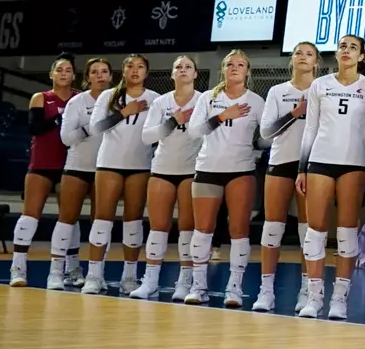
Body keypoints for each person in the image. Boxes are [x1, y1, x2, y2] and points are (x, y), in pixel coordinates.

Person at [296, 35, 365, 319]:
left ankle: (340, 298)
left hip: (353, 165)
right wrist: (302, 167)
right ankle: (314, 296)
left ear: (361, 57)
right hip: (320, 161)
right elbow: (310, 128)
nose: (346, 51)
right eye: (342, 46)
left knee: (345, 233)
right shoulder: (320, 85)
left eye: (353, 47)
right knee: (315, 231)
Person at [189, 50, 264, 307]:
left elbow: (266, 136)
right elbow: (194, 131)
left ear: (247, 71)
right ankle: (198, 286)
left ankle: (235, 288)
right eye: (230, 64)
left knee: (239, 230)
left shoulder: (256, 101)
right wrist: (221, 116)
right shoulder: (208, 98)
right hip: (208, 167)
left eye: (240, 64)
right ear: (223, 68)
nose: (234, 68)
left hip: (240, 170)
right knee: (203, 229)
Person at [81, 55, 158, 295]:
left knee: (133, 221)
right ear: (123, 71)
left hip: (140, 165)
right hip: (109, 163)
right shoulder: (108, 95)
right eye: (130, 66)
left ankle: (129, 277)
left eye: (140, 66)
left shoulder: (155, 99)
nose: (135, 70)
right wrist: (124, 112)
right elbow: (95, 128)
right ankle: (94, 275)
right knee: (102, 218)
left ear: (147, 71)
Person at [255, 42, 319, 314]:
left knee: (308, 231)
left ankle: (307, 291)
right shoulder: (277, 91)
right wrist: (294, 113)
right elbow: (266, 132)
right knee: (272, 227)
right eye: (298, 53)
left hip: (313, 164)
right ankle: (266, 291)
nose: (303, 57)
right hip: (281, 161)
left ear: (316, 62)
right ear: (291, 60)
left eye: (309, 54)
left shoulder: (323, 88)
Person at [134, 56, 204, 301]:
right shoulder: (161, 102)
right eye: (178, 67)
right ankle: (150, 281)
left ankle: (185, 282)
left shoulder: (203, 100)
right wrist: (175, 120)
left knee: (187, 227)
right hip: (162, 168)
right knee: (158, 227)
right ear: (172, 74)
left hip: (191, 170)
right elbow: (147, 137)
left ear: (196, 74)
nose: (182, 70)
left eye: (188, 67)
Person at [10, 57, 78, 288]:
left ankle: (71, 267)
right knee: (30, 215)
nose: (63, 73)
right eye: (59, 70)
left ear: (74, 76)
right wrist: (61, 118)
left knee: (69, 218)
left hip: (70, 165)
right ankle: (18, 268)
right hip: (41, 163)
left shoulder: (80, 99)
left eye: (68, 70)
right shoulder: (41, 98)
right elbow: (35, 128)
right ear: (51, 74)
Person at [53, 57, 114, 289]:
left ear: (111, 76)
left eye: (104, 71)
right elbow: (66, 138)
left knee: (100, 222)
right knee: (66, 219)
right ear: (87, 77)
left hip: (107, 169)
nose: (99, 75)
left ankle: (96, 275)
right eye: (94, 72)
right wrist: (95, 126)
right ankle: (57, 272)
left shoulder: (118, 101)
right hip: (77, 166)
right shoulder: (77, 102)